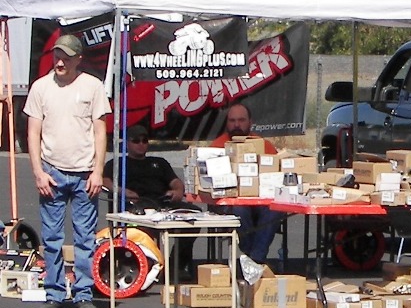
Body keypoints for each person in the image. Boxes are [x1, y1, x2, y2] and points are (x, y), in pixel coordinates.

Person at [24, 34, 111, 308]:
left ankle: (84, 293)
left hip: (85, 173)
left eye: (66, 57)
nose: (60, 62)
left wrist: (98, 171)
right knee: (52, 238)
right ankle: (55, 293)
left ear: (78, 59)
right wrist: (38, 172)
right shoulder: (40, 88)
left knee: (85, 237)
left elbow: (100, 131)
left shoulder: (92, 86)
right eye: (57, 56)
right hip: (52, 172)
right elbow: (33, 133)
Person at [102, 124, 197, 278]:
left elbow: (176, 182)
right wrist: (122, 191)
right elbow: (105, 182)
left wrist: (177, 191)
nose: (141, 144)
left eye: (144, 140)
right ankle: (147, 264)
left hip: (163, 202)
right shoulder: (117, 164)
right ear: (126, 143)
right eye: (136, 140)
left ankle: (176, 265)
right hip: (136, 204)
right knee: (143, 220)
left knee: (194, 216)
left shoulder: (159, 163)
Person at [211, 103, 283, 264]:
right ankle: (253, 257)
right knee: (239, 210)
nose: (237, 125)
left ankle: (254, 259)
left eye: (241, 120)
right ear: (227, 123)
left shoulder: (263, 145)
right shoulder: (216, 147)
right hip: (229, 201)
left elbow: (278, 175)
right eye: (232, 120)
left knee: (275, 210)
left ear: (250, 122)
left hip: (259, 201)